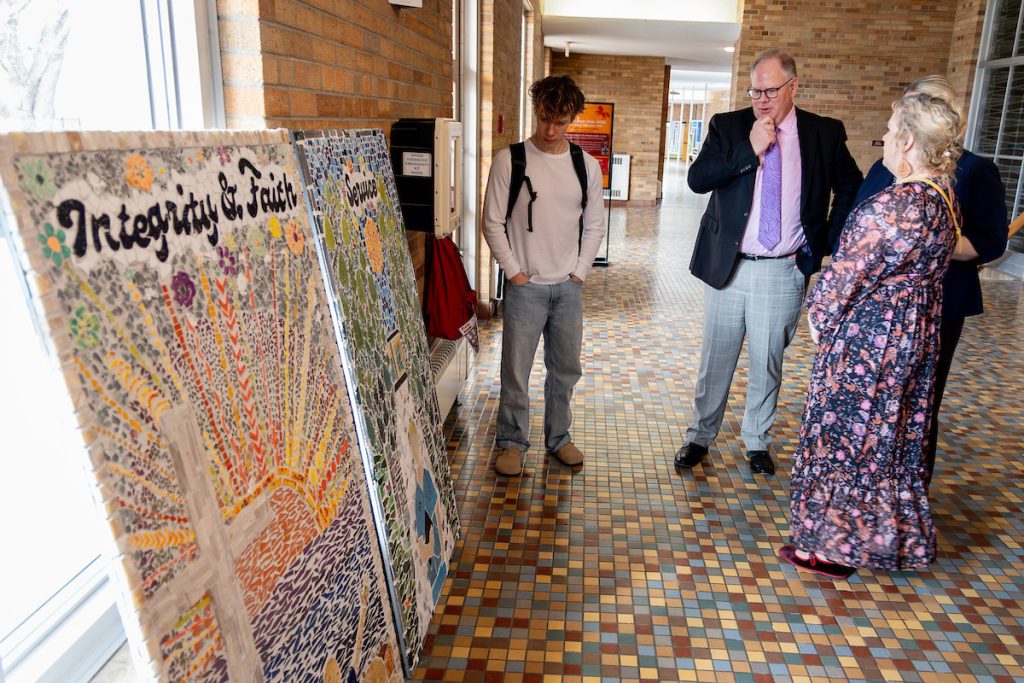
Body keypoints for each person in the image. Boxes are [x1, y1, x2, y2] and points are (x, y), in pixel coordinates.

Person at [779, 91, 964, 578]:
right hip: (914, 337)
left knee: (845, 436)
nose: (883, 136)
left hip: (870, 341)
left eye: (889, 129)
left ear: (907, 142)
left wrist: (820, 322)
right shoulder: (943, 200)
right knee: (890, 439)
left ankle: (831, 548)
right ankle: (880, 540)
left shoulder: (892, 206)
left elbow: (844, 277)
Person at [675, 49, 863, 475]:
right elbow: (698, 180)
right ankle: (699, 436)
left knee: (767, 361)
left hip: (783, 268)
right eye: (755, 91)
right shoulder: (728, 126)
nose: (761, 99)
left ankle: (757, 440)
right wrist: (750, 149)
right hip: (729, 266)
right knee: (716, 358)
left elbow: (851, 185)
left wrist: (827, 240)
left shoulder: (824, 133)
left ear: (793, 87)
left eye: (770, 91)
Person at [850, 76, 1008, 488]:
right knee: (867, 406)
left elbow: (991, 241)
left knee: (916, 405)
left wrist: (927, 241)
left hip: (936, 306)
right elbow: (858, 221)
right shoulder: (883, 166)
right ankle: (866, 492)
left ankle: (907, 494)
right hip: (872, 309)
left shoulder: (975, 170)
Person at [481, 74, 605, 477]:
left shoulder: (585, 165)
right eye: (544, 119)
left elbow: (595, 225)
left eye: (560, 121)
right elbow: (492, 222)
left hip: (567, 288)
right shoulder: (510, 160)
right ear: (536, 111)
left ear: (572, 118)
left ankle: (559, 438)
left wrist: (579, 273)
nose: (551, 130)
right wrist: (514, 273)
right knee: (516, 371)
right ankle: (511, 442)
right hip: (526, 288)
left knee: (565, 370)